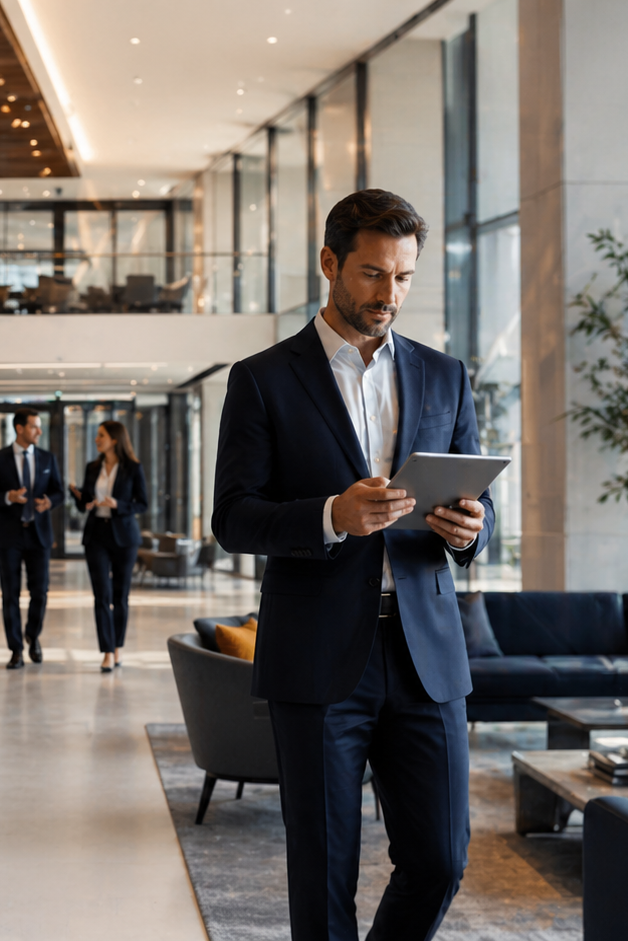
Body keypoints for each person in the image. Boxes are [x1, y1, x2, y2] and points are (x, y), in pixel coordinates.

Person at [211, 188, 493, 941]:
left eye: (403, 277)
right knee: (324, 869)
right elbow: (231, 518)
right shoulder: (263, 378)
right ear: (331, 263)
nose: (388, 294)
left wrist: (470, 529)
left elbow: (476, 514)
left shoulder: (445, 375)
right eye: (372, 274)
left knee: (441, 856)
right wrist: (331, 515)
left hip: (426, 652)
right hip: (317, 656)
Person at [0, 408, 64, 669]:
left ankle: (32, 635)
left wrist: (50, 501)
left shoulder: (48, 458)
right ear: (20, 428)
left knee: (40, 592)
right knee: (10, 594)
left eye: (39, 426)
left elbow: (59, 492)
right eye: (35, 426)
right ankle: (15, 649)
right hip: (8, 535)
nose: (39, 431)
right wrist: (7, 497)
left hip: (39, 535)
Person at [69, 421, 149, 672]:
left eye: (101, 435)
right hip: (96, 535)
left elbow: (142, 503)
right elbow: (83, 506)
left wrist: (119, 505)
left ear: (114, 439)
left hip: (125, 537)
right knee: (101, 595)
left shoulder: (133, 468)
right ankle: (106, 651)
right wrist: (80, 498)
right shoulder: (92, 467)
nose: (96, 439)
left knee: (120, 596)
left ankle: (118, 648)